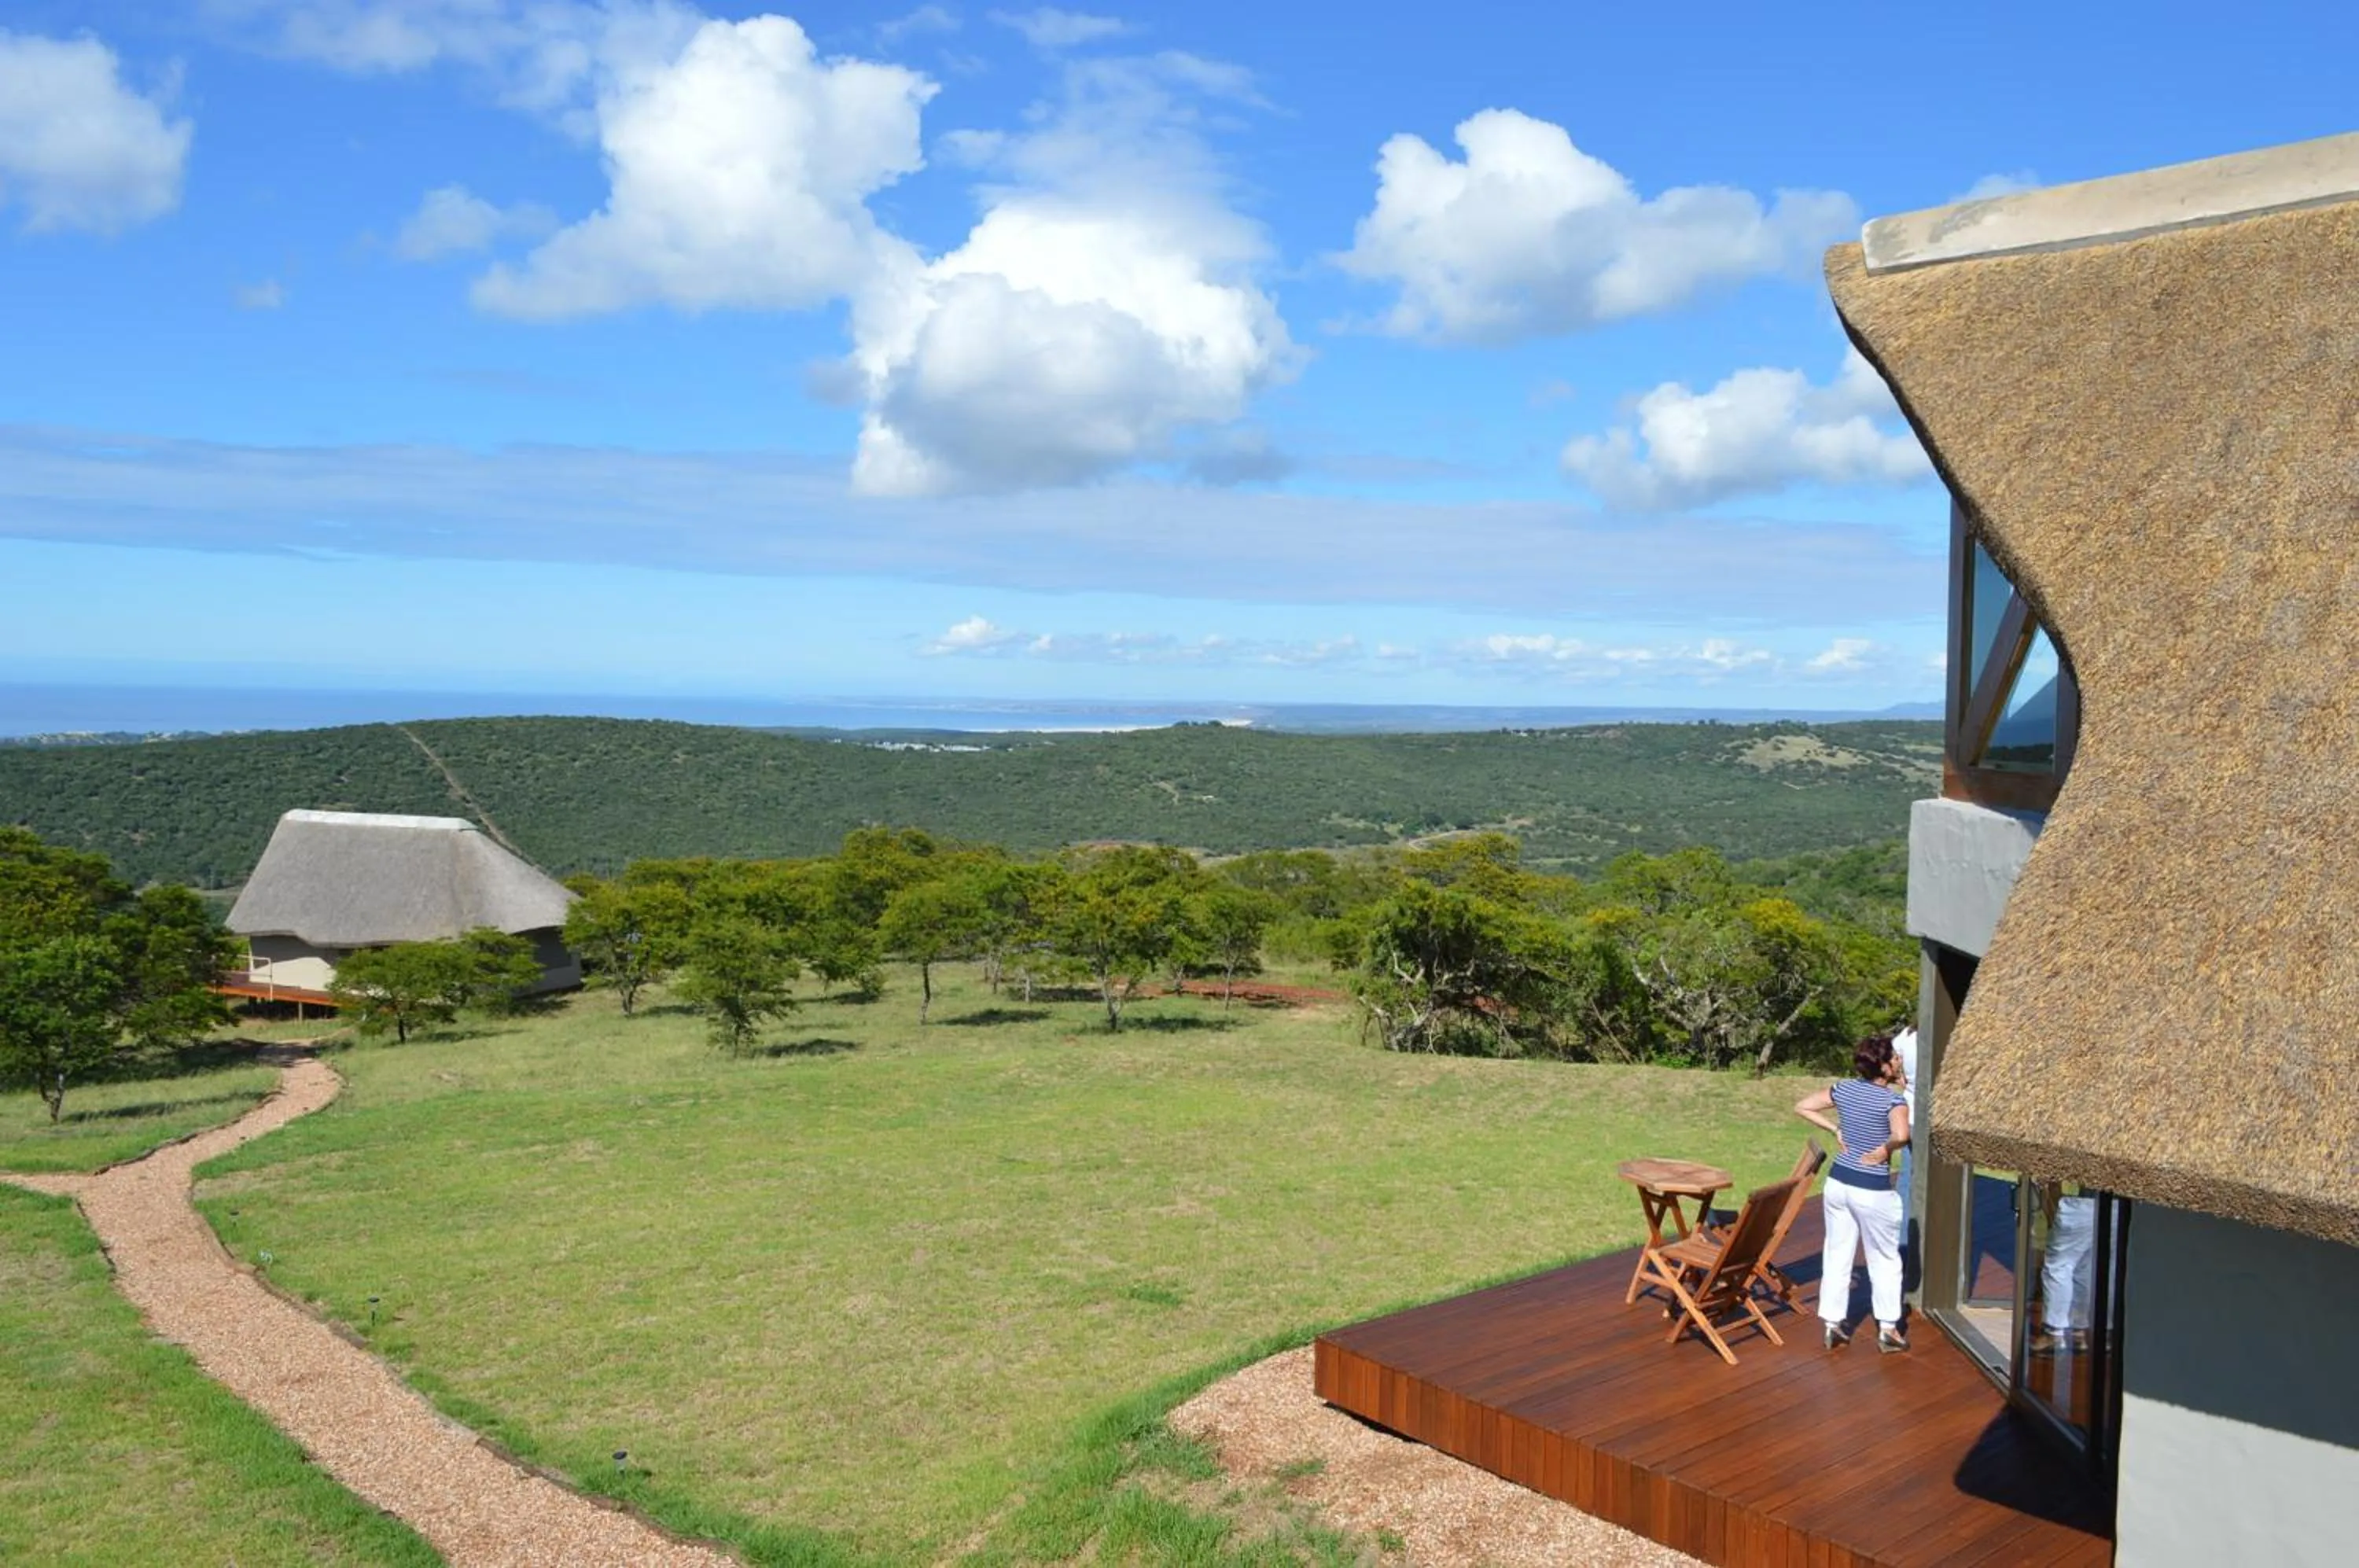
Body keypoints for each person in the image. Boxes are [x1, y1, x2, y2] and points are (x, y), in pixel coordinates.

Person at [1795, 1032, 1911, 1353]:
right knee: (1885, 1259)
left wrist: (1836, 1129)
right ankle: (1888, 1329)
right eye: (1896, 1058)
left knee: (1837, 1252)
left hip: (1838, 1183)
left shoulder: (1843, 1089)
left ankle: (1833, 1325)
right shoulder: (1893, 1101)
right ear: (1885, 1067)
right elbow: (1901, 1134)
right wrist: (1885, 1149)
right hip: (1871, 1189)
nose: (1899, 1060)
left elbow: (1802, 1106)